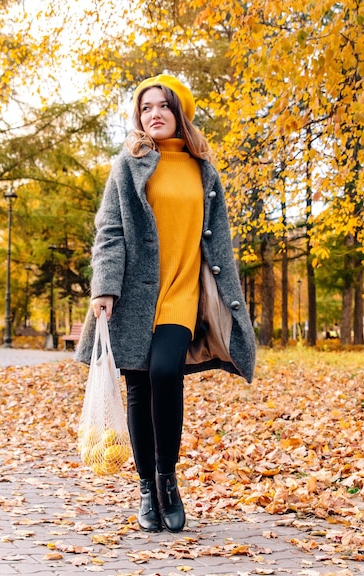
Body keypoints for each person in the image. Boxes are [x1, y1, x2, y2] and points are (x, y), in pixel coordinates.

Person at [76, 73, 256, 533]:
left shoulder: (203, 170)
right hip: (135, 293)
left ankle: (167, 478)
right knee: (139, 386)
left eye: (163, 106)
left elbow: (218, 242)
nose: (153, 114)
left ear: (179, 113)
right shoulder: (128, 166)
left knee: (164, 372)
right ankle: (145, 490)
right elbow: (110, 232)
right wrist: (104, 289)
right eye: (145, 108)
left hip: (183, 292)